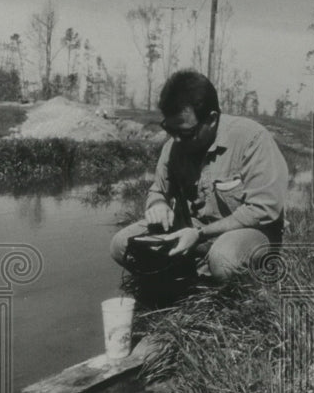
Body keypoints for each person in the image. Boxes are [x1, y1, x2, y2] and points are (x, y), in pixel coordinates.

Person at [110, 70, 288, 284]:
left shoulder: (252, 139)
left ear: (211, 119)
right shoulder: (174, 146)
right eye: (169, 128)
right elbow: (158, 189)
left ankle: (221, 281)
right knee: (121, 245)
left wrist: (200, 234)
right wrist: (158, 204)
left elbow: (263, 210)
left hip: (251, 233)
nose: (175, 139)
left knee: (223, 258)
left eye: (185, 132)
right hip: (194, 233)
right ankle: (182, 281)